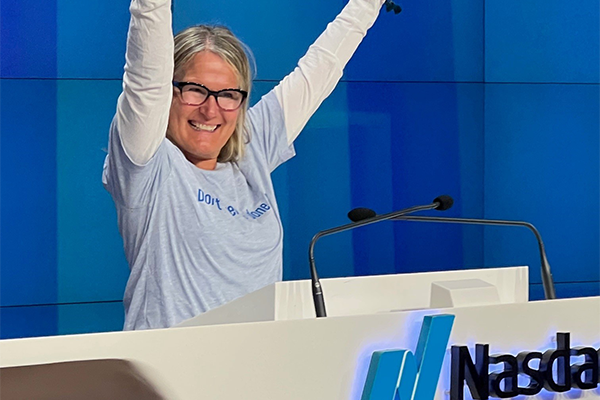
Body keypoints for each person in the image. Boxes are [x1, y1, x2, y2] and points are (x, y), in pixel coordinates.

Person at [103, 0, 386, 330]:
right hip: (170, 372)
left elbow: (322, 67)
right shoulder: (148, 166)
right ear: (168, 93)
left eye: (228, 95)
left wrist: (368, 3)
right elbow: (145, 76)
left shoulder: (252, 152)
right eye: (195, 90)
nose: (211, 110)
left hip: (258, 369)